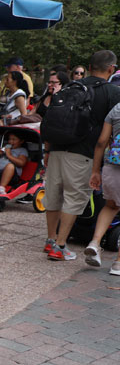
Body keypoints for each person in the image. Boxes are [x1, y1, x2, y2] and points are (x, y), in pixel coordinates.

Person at [44, 50, 120, 261]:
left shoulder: (71, 86)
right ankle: (59, 246)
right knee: (74, 199)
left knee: (54, 195)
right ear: (111, 69)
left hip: (58, 148)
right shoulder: (112, 93)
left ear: (88, 67)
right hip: (84, 153)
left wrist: (48, 150)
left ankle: (50, 239)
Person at [86, 103, 120, 274]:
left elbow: (101, 141)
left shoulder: (117, 108)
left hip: (112, 165)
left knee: (110, 206)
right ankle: (118, 263)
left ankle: (95, 242)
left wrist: (95, 170)